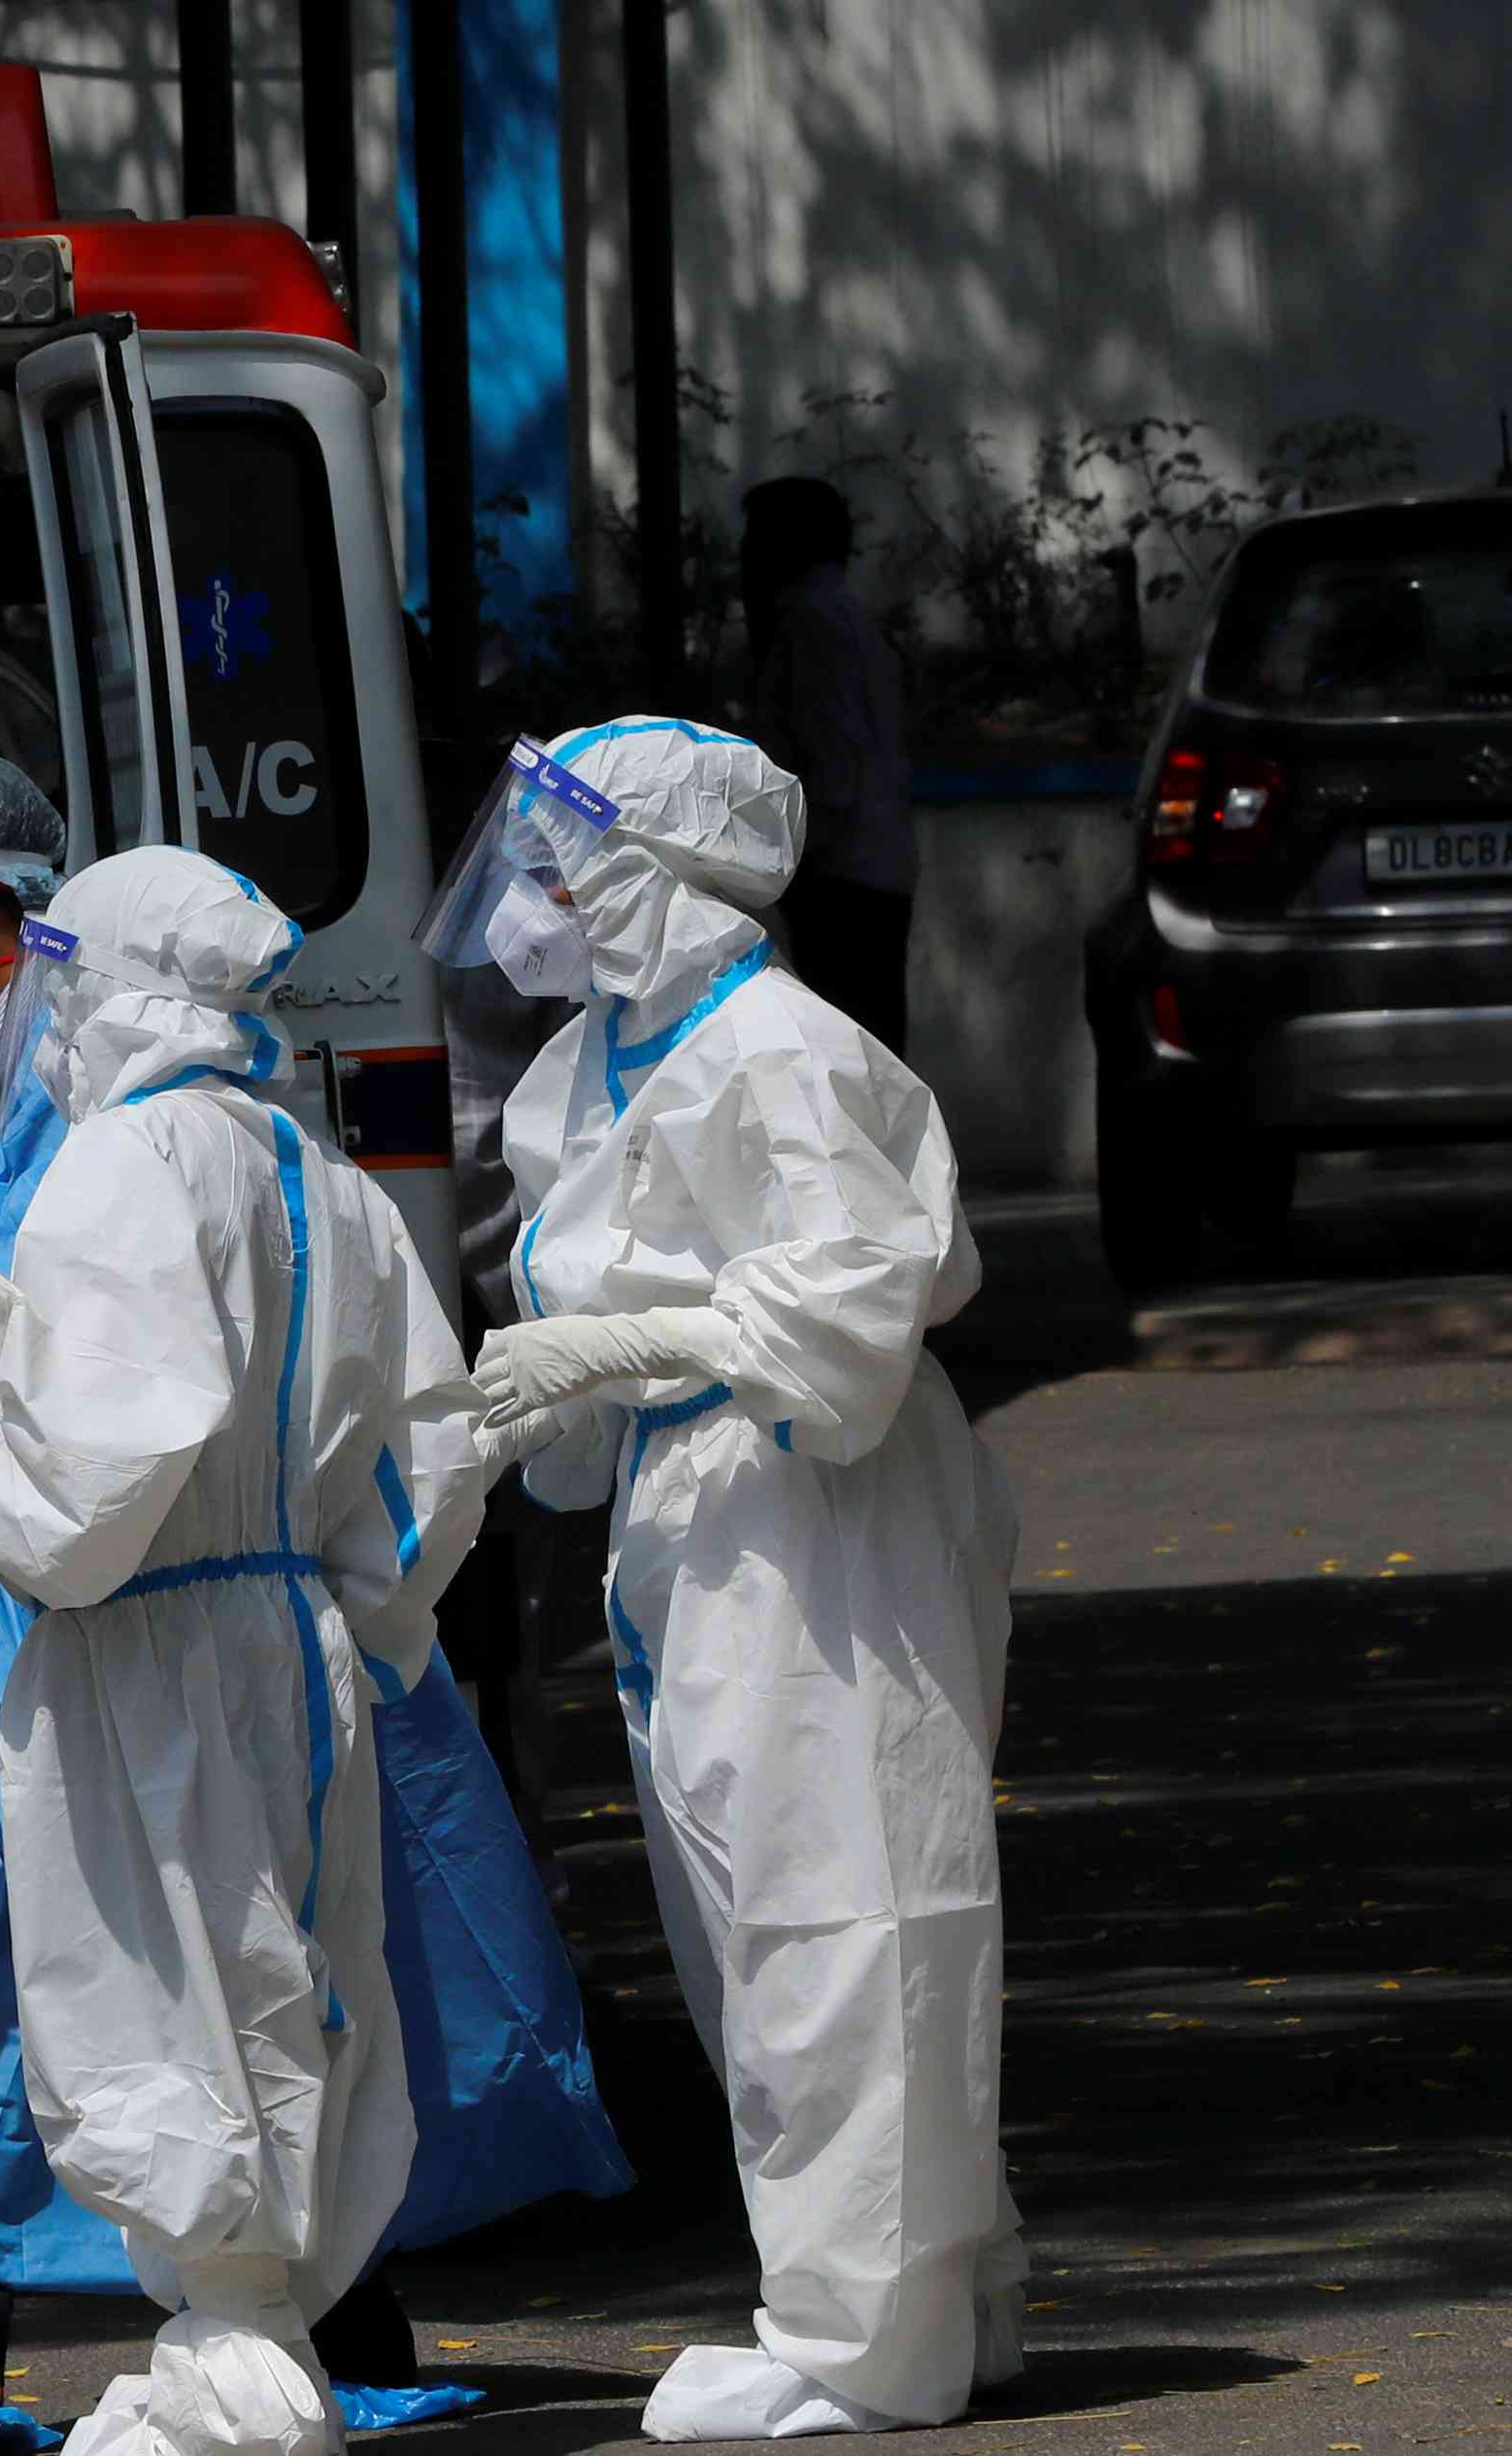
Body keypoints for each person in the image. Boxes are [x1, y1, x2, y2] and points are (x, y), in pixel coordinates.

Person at [0, 762, 625, 2453]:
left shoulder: (101, 1143)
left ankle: (168, 2355)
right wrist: (359, 1605)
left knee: (147, 1991)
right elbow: (416, 1439)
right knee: (274, 1975)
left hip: (113, 1615)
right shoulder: (272, 1155)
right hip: (261, 1624)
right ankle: (287, 2332)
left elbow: (70, 1439)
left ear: (11, 914)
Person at [420, 723, 1025, 2439]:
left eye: (558, 861)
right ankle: (940, 2292)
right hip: (703, 1499)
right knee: (752, 1918)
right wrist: (557, 1393)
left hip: (817, 1501)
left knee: (845, 1903)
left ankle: (862, 2340)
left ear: (656, 874)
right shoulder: (605, 1059)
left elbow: (856, 1315)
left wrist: (624, 1345)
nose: (525, 897)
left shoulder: (780, 1050)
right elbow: (600, 1286)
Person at [741, 479, 917, 1056]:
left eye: (755, 538)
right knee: (870, 1055)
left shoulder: (810, 626)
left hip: (841, 882)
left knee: (844, 1058)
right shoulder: (852, 621)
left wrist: (791, 868)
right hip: (872, 872)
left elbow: (831, 774)